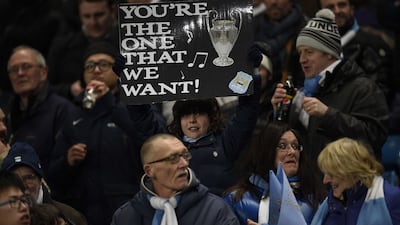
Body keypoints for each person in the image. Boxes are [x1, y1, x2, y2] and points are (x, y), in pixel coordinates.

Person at [47, 41, 165, 225]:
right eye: (89, 65)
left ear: (117, 70)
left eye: (103, 64)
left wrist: (109, 101)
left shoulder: (137, 104)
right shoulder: (71, 113)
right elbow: (52, 174)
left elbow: (152, 140)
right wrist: (68, 161)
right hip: (85, 212)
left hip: (131, 210)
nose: (96, 70)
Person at [271, 8, 389, 160]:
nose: (302, 59)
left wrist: (328, 115)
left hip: (349, 181)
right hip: (311, 180)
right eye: (300, 53)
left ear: (328, 53)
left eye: (309, 52)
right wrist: (280, 112)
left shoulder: (364, 88)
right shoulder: (303, 92)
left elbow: (375, 136)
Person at [110, 133, 240, 225]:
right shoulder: (125, 216)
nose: (184, 164)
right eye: (173, 158)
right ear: (149, 170)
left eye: (185, 155)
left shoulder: (215, 210)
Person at [167, 74, 261, 196]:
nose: (192, 120)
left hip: (219, 211)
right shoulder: (167, 146)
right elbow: (142, 121)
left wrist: (251, 73)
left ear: (211, 117)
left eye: (199, 113)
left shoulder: (226, 142)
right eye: (186, 115)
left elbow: (247, 110)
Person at [224, 122, 325, 225]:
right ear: (266, 151)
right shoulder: (236, 200)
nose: (292, 152)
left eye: (295, 146)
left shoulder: (315, 200)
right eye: (282, 146)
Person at [6, 45, 76, 172]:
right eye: (14, 69)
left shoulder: (62, 110)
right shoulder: (7, 114)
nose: (20, 73)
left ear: (43, 72)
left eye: (26, 67)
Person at [318, 0, 395, 104]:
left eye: (342, 5)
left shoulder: (371, 44)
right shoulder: (315, 45)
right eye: (330, 8)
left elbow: (380, 95)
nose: (337, 11)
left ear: (352, 9)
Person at [311, 137, 400, 225]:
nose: (325, 180)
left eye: (331, 174)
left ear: (351, 171)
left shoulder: (391, 199)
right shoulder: (328, 205)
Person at [47, 0, 119, 100]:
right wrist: (69, 90)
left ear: (113, 11)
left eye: (99, 15)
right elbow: (46, 87)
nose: (93, 22)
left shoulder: (131, 43)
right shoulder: (62, 47)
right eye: (86, 16)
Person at [1, 142, 88, 225]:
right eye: (16, 180)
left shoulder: (70, 217)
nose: (23, 185)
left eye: (29, 178)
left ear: (40, 180)